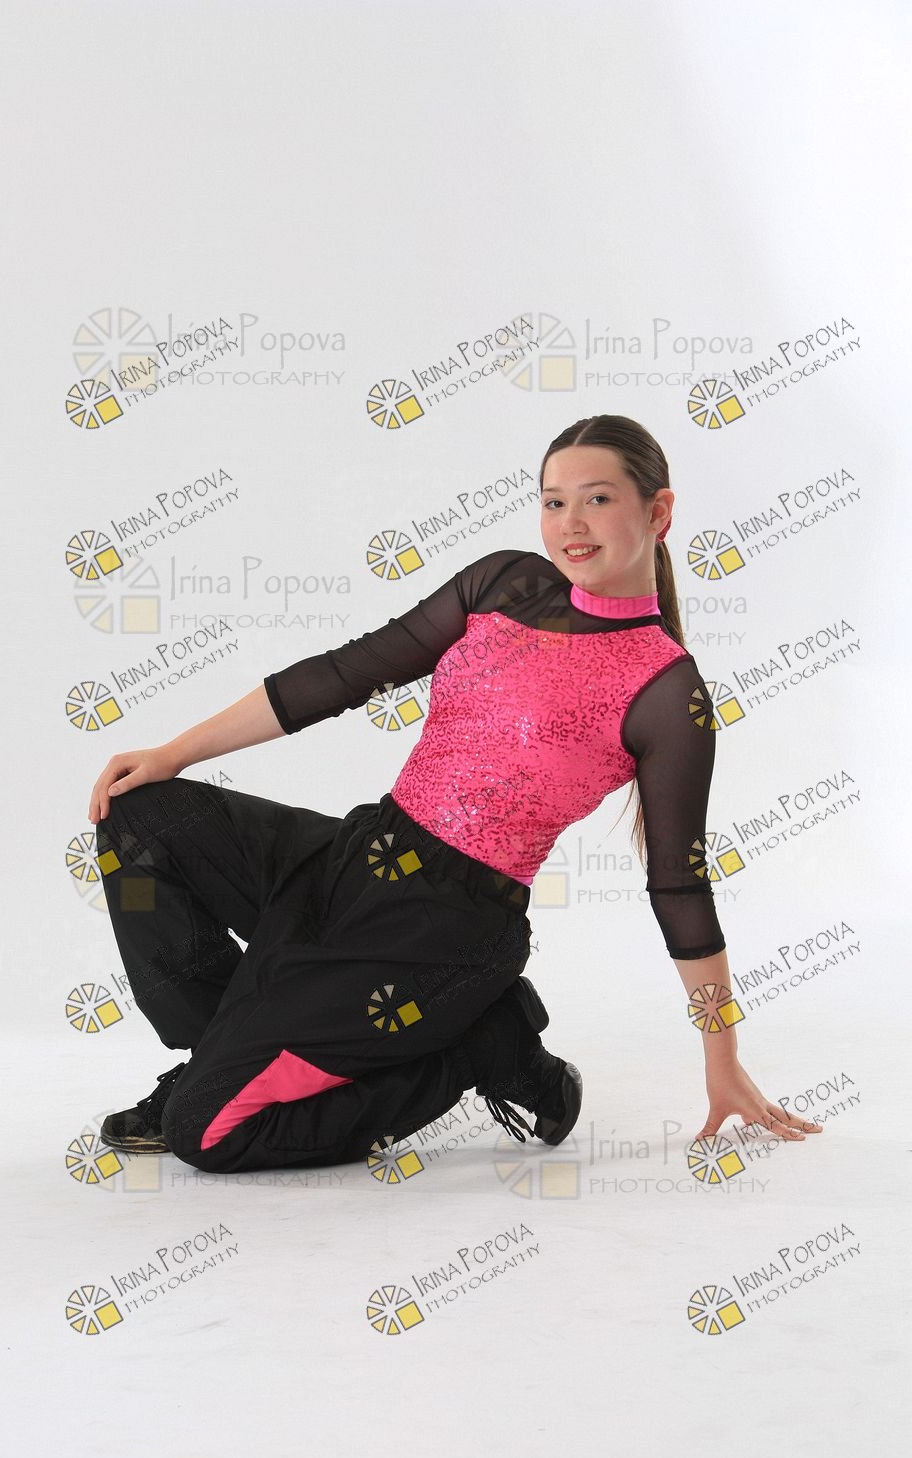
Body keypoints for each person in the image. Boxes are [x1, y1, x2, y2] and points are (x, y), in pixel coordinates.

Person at [88, 413, 823, 1175]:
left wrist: (722, 1058)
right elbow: (345, 674)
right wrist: (172, 754)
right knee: (140, 814)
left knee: (204, 1134)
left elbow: (680, 888)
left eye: (598, 499)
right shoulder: (505, 584)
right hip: (360, 855)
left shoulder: (667, 691)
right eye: (553, 502)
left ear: (658, 512)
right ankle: (214, 1053)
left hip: (442, 930)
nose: (570, 524)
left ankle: (482, 1043)